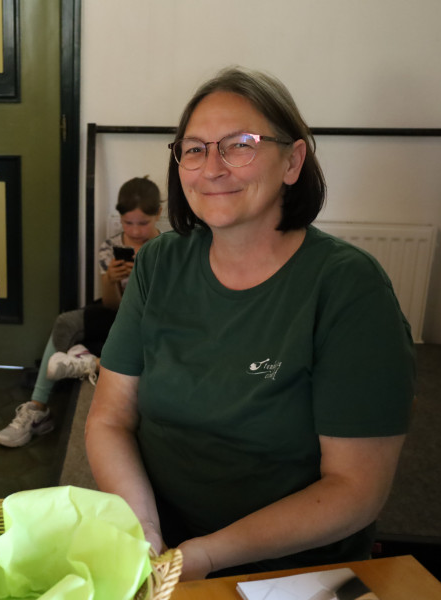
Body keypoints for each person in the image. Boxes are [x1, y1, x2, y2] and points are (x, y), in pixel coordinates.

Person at [85, 67, 415, 581]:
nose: (212, 168)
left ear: (293, 161)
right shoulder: (159, 263)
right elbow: (109, 419)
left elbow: (356, 489)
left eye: (240, 145)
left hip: (288, 569)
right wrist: (146, 534)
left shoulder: (350, 288)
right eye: (194, 149)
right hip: (160, 546)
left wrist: (205, 555)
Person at [0, 176, 161, 448]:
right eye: (127, 222)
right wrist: (111, 280)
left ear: (158, 215)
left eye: (142, 223)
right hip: (117, 311)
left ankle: (90, 363)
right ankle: (37, 409)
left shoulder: (166, 249)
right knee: (65, 322)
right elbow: (111, 305)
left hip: (150, 319)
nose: (134, 230)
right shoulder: (111, 247)